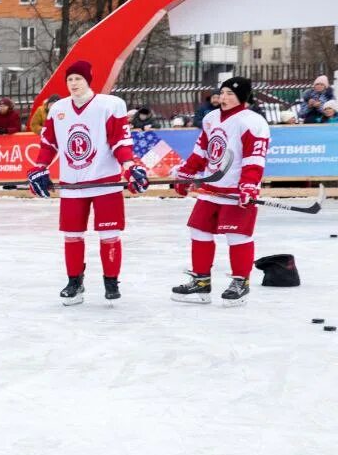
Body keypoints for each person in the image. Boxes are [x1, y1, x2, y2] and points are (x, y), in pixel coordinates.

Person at [27, 60, 149, 304]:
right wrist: (40, 167)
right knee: (72, 235)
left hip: (105, 183)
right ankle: (75, 281)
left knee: (109, 234)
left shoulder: (110, 105)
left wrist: (129, 166)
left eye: (78, 79)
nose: (73, 84)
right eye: (70, 80)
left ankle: (111, 282)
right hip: (72, 184)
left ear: (88, 80)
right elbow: (49, 143)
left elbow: (120, 142)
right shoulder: (58, 108)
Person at [171, 77, 270, 306]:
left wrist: (248, 186)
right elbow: (201, 152)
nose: (224, 98)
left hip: (236, 191)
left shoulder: (253, 122)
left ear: (242, 98)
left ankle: (240, 283)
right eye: (222, 92)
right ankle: (201, 281)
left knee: (238, 237)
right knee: (199, 232)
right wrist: (186, 174)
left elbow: (254, 158)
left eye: (230, 94)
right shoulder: (210, 118)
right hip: (210, 188)